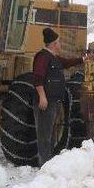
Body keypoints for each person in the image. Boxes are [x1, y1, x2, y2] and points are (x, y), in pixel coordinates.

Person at [32, 27, 83, 166]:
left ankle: (49, 163)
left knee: (52, 134)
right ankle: (44, 165)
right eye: (59, 42)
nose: (60, 44)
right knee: (44, 135)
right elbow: (38, 78)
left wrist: (84, 59)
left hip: (53, 101)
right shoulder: (42, 57)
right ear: (54, 44)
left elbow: (67, 63)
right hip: (45, 102)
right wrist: (42, 97)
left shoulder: (53, 58)